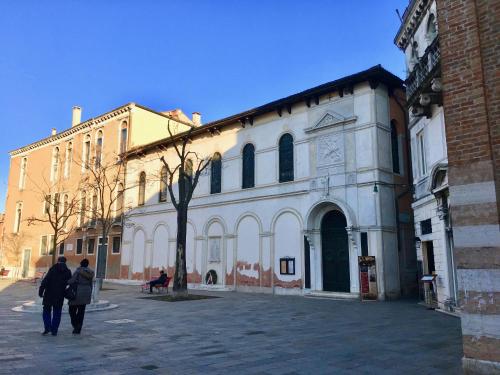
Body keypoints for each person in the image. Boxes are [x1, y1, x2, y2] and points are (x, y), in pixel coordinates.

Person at [38, 256, 72, 336]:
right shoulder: (68, 271)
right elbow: (69, 282)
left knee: (46, 311)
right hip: (60, 295)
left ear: (58, 261)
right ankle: (54, 330)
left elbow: (46, 280)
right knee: (57, 312)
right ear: (65, 262)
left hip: (49, 293)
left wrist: (41, 290)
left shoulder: (52, 269)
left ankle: (47, 327)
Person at [68, 259, 94, 334]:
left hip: (77, 292)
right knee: (81, 311)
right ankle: (79, 327)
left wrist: (66, 281)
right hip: (86, 292)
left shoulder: (78, 271)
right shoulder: (91, 272)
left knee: (72, 310)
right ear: (87, 265)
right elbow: (91, 284)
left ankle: (75, 325)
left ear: (81, 264)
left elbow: (72, 281)